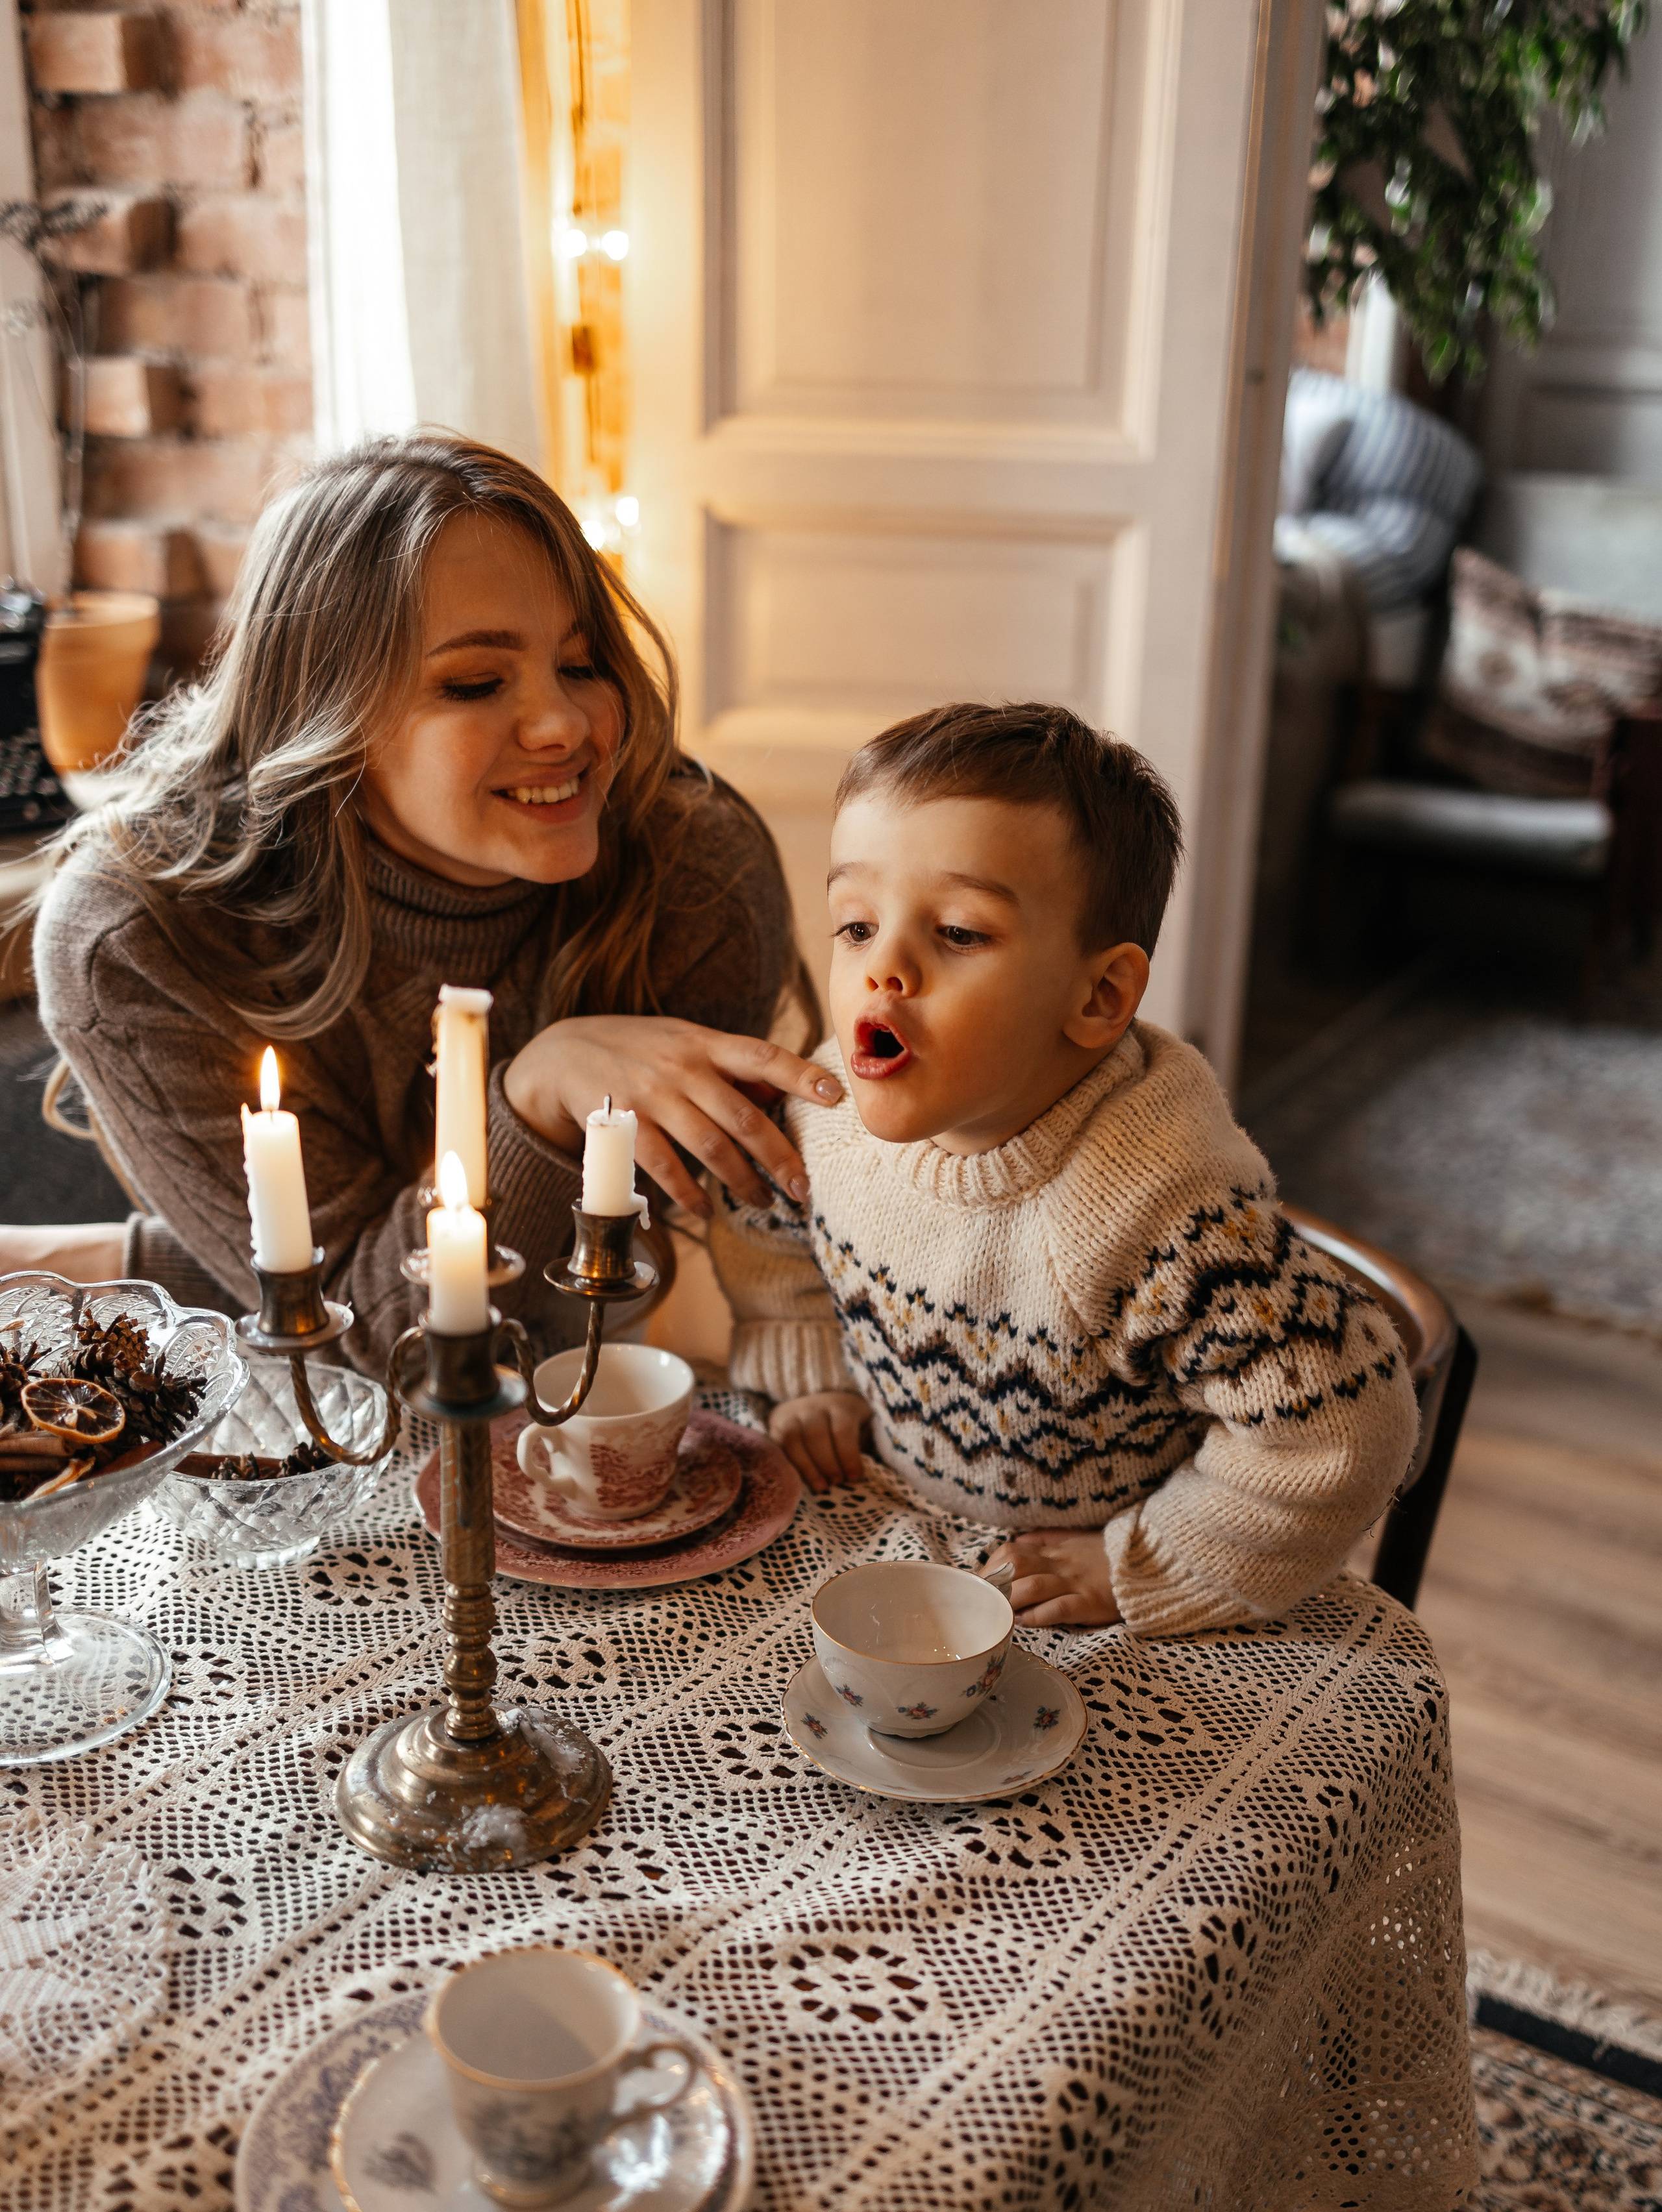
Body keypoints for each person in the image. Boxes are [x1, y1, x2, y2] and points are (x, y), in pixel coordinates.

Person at [23, 433, 841, 1367]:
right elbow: (373, 1348)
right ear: (323, 713)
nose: (565, 725)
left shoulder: (693, 869)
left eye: (580, 664)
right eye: (476, 683)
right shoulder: (133, 934)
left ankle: (98, 1262)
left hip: (562, 1371)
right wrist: (534, 1104)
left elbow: (566, 1314)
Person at [707, 702, 1420, 1632]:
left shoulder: (1158, 1212)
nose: (883, 969)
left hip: (1088, 1604)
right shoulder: (824, 1111)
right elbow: (767, 1218)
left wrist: (1146, 1559)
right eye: (855, 925)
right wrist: (811, 1376)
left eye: (958, 933)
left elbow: (1346, 1426)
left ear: (1099, 995)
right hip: (895, 1527)